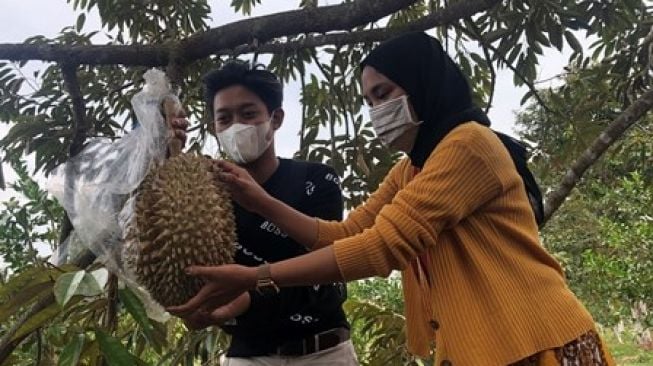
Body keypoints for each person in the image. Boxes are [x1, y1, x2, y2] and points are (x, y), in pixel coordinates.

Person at [168, 33, 615, 365]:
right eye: (368, 100)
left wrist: (255, 277)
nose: (376, 110)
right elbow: (344, 235)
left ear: (423, 84)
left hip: (535, 336)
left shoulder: (469, 146)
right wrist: (260, 202)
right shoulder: (412, 169)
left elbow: (383, 246)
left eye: (384, 93)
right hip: (480, 344)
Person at [176, 61, 358, 365]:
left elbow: (327, 269)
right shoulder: (205, 197)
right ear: (214, 128)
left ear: (276, 118)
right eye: (224, 118)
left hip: (323, 353)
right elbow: (191, 270)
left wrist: (243, 299)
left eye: (248, 114)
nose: (237, 125)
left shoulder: (315, 180)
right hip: (248, 356)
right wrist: (163, 151)